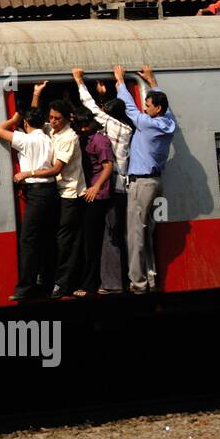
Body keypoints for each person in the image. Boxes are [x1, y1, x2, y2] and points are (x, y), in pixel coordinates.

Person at [115, 64, 178, 293]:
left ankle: (138, 283)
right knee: (146, 231)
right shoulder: (169, 123)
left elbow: (130, 108)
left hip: (141, 183)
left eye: (148, 105)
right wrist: (152, 82)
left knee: (135, 233)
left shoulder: (148, 124)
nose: (145, 108)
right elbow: (164, 109)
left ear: (157, 108)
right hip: (154, 183)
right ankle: (150, 278)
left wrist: (121, 82)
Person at [72, 68, 134, 294]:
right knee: (118, 234)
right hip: (122, 187)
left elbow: (92, 110)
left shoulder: (109, 128)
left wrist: (79, 81)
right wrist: (113, 88)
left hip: (111, 187)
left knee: (110, 237)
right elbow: (108, 112)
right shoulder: (125, 128)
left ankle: (112, 284)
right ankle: (122, 280)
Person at [0, 92, 56, 302]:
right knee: (47, 239)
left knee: (28, 240)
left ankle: (25, 288)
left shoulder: (25, 140)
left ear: (26, 123)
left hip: (36, 193)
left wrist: (13, 119)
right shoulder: (48, 137)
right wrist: (36, 95)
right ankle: (47, 284)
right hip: (50, 191)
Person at [23, 98, 87, 299]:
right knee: (52, 237)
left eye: (57, 118)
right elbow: (33, 122)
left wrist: (29, 173)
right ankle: (50, 278)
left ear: (67, 118)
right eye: (51, 117)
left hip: (69, 193)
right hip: (56, 191)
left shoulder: (70, 137)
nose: (53, 121)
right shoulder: (52, 129)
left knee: (65, 241)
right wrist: (35, 95)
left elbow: (57, 168)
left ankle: (63, 283)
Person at [72, 112, 114, 298]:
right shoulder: (85, 137)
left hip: (97, 195)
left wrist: (96, 186)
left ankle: (90, 284)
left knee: (92, 241)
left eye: (84, 126)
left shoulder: (100, 140)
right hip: (87, 191)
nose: (81, 130)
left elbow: (108, 166)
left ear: (91, 123)